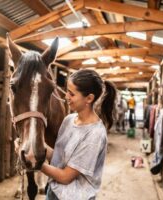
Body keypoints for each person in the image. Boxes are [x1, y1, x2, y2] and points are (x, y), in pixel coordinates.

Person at [40, 69, 116, 200]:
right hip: (54, 192)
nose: (66, 97)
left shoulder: (95, 135)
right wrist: (38, 147)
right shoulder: (69, 120)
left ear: (89, 98)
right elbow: (60, 159)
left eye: (72, 94)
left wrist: (36, 164)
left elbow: (65, 177)